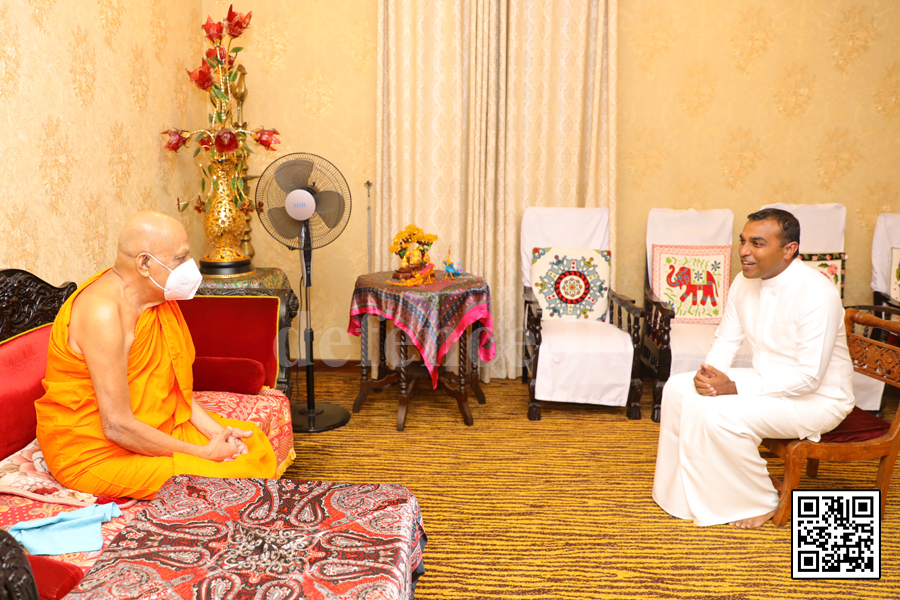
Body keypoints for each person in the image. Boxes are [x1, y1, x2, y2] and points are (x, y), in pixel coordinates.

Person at [36, 211, 277, 500]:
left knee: (253, 443)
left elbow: (179, 393)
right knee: (229, 480)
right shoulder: (102, 314)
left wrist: (218, 433)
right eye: (180, 259)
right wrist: (203, 454)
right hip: (97, 451)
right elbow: (116, 425)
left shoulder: (156, 300)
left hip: (154, 426)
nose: (189, 267)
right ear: (145, 263)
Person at [652, 208, 855, 528]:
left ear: (789, 250)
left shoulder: (818, 293)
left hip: (818, 400)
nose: (745, 251)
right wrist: (710, 376)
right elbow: (726, 340)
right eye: (743, 241)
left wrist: (731, 387)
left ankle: (761, 500)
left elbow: (809, 378)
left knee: (719, 415)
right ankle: (683, 494)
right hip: (767, 383)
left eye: (757, 243)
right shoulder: (743, 282)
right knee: (679, 388)